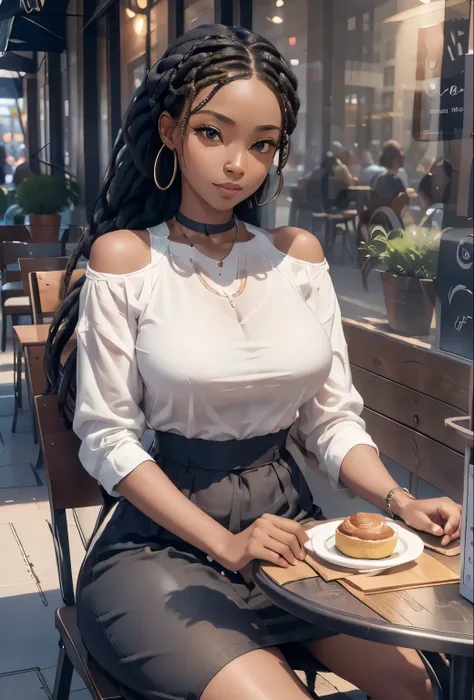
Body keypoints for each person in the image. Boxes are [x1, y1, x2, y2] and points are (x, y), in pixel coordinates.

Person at [45, 25, 461, 700]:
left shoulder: (296, 258)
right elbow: (107, 440)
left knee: (417, 686)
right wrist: (226, 543)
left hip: (292, 536)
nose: (239, 162)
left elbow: (331, 422)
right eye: (215, 133)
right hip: (163, 547)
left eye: (262, 143)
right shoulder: (128, 260)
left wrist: (399, 500)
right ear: (174, 132)